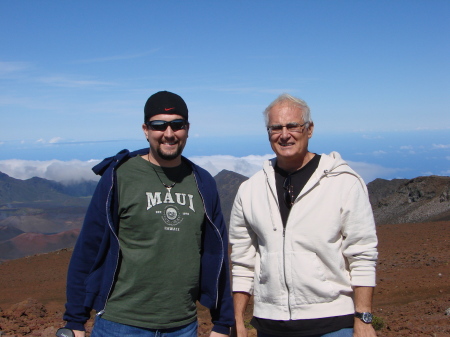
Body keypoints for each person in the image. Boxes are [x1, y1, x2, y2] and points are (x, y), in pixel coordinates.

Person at [61, 91, 234, 337]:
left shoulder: (202, 182)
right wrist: (75, 321)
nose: (169, 133)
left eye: (178, 125)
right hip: (120, 324)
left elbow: (216, 254)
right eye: (158, 125)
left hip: (182, 326)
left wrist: (222, 322)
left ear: (187, 128)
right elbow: (89, 248)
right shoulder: (119, 176)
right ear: (145, 129)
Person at [229, 93, 378, 337]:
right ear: (268, 133)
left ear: (309, 129)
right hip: (270, 324)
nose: (284, 134)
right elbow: (243, 261)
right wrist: (237, 319)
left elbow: (362, 253)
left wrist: (363, 317)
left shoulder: (343, 182)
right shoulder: (250, 190)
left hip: (332, 324)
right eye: (276, 127)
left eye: (292, 126)